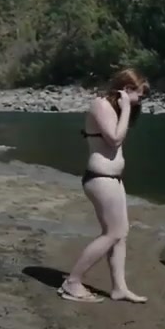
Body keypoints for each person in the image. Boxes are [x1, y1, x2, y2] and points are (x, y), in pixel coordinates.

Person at [58, 68, 150, 304]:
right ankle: (72, 281)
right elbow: (115, 139)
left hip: (113, 180)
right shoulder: (101, 105)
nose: (140, 101)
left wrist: (126, 109)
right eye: (139, 95)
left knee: (121, 234)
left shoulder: (113, 108)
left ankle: (119, 288)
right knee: (113, 233)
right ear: (127, 89)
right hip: (100, 178)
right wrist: (126, 108)